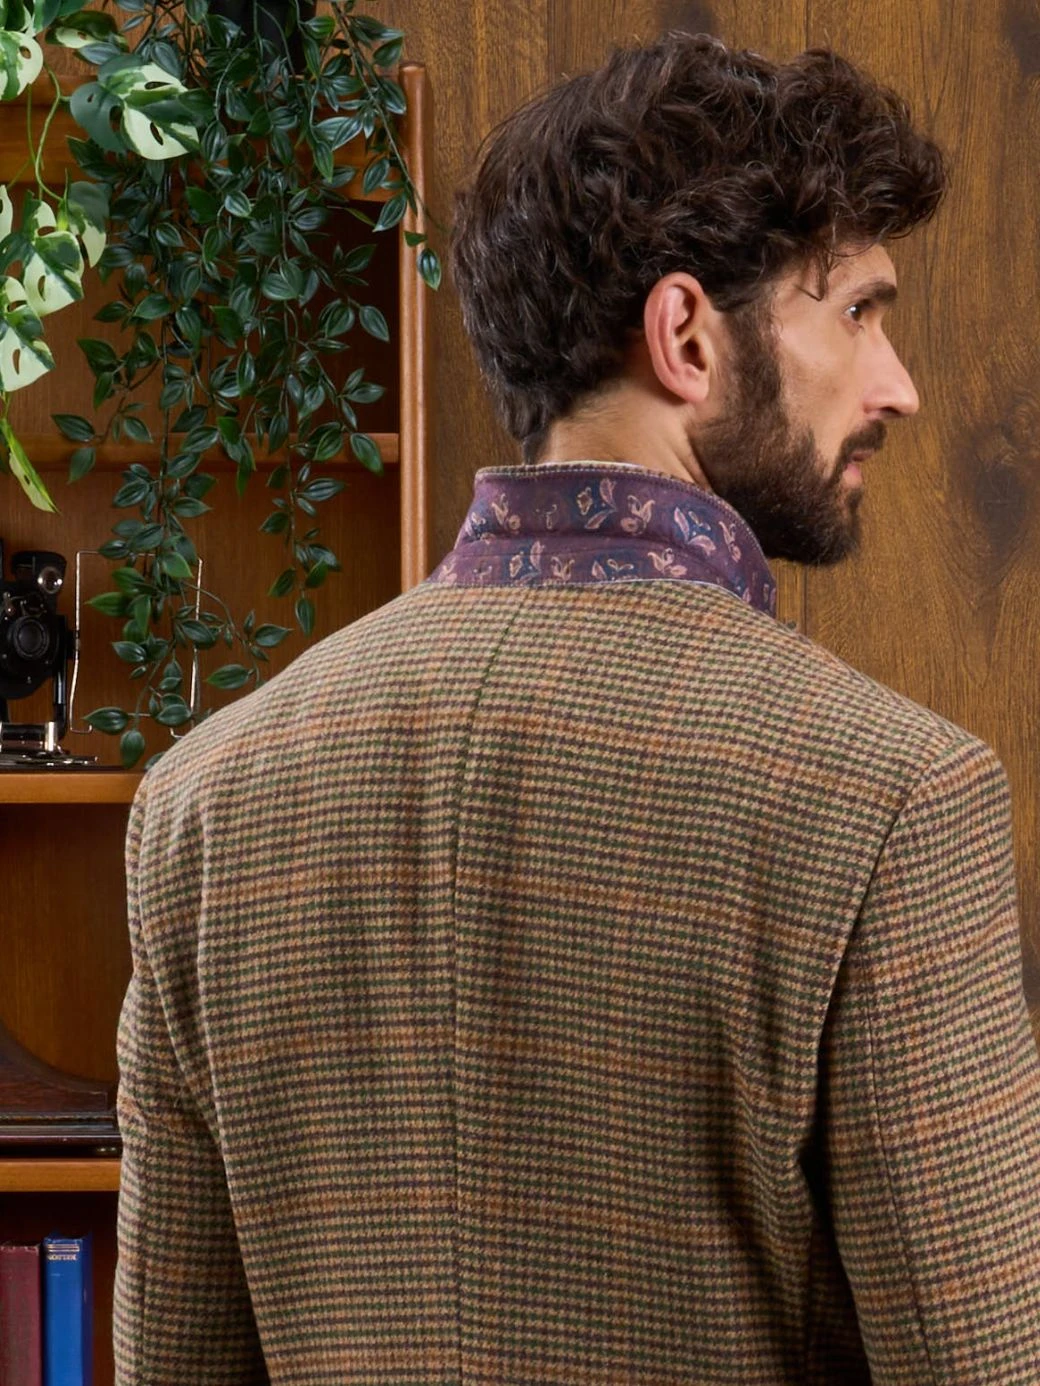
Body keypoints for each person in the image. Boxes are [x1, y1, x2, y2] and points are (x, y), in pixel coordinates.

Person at [114, 32, 1040, 1385]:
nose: (897, 383)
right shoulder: (894, 798)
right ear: (686, 337)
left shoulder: (202, 802)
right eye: (856, 312)